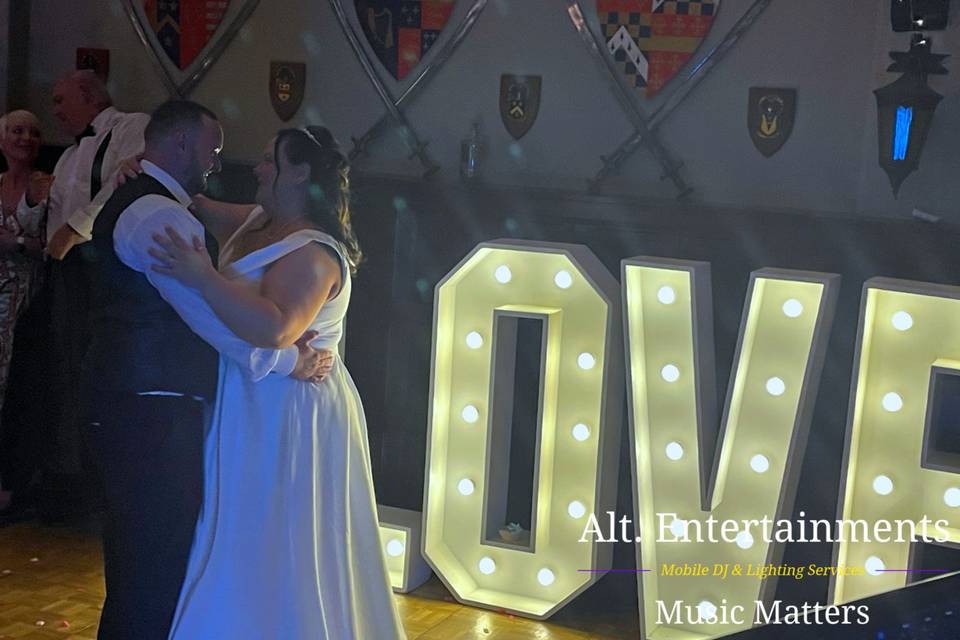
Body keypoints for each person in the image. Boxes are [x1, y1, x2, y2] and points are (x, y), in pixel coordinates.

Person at [81, 100, 333, 640]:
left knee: (152, 561)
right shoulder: (160, 217)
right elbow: (206, 316)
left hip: (163, 404)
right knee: (151, 565)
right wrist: (292, 360)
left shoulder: (170, 207)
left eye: (267, 159)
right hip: (153, 409)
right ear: (179, 146)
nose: (222, 161)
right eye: (212, 148)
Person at [149, 126, 404, 639]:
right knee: (244, 530)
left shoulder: (313, 251)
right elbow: (196, 204)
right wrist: (148, 176)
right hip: (252, 398)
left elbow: (276, 328)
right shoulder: (260, 219)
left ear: (301, 172)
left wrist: (203, 277)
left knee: (281, 535)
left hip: (291, 410)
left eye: (270, 159)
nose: (258, 167)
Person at [16, 70, 149, 521]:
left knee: (95, 370)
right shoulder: (70, 156)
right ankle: (66, 479)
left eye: (60, 100)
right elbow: (49, 222)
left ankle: (100, 485)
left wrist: (77, 228)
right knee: (62, 370)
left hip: (103, 267)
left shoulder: (131, 127)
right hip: (63, 273)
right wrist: (38, 204)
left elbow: (127, 184)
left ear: (90, 96)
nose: (54, 110)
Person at [0, 110, 51, 510]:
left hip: (26, 300)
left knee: (15, 389)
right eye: (16, 130)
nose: (25, 138)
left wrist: (14, 244)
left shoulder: (45, 186)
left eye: (33, 132)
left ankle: (10, 485)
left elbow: (52, 246)